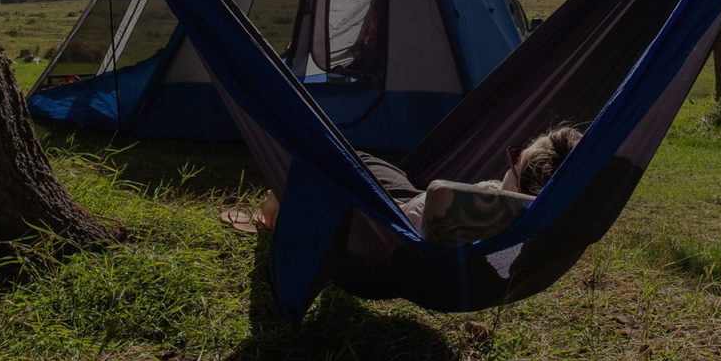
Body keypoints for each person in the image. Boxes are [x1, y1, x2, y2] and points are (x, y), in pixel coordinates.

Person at [236, 125, 582, 243]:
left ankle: (277, 202)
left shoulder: (494, 211)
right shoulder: (534, 222)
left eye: (515, 157)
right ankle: (279, 196)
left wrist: (521, 201)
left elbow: (439, 193)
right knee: (357, 158)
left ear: (521, 184)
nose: (508, 158)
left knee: (328, 161)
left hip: (386, 215)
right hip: (407, 197)